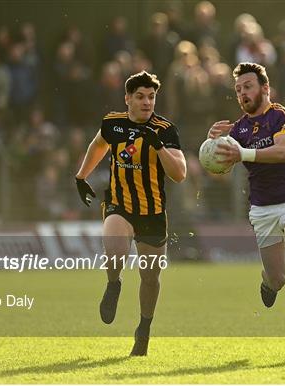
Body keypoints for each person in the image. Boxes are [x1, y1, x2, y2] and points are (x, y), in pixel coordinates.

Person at [207, 62, 285, 346]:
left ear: (265, 88)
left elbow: (284, 152)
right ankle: (268, 282)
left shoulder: (283, 116)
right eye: (238, 90)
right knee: (278, 280)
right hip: (263, 209)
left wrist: (242, 153)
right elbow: (218, 169)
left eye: (248, 87)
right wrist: (211, 145)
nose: (242, 94)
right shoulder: (238, 129)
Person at [75, 71, 186, 356]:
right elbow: (98, 144)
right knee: (114, 251)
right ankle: (113, 284)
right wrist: (81, 176)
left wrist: (158, 145)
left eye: (151, 97)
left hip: (152, 212)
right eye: (140, 96)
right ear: (128, 99)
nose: (147, 102)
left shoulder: (165, 129)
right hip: (119, 204)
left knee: (150, 278)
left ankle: (143, 330)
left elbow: (180, 174)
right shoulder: (113, 123)